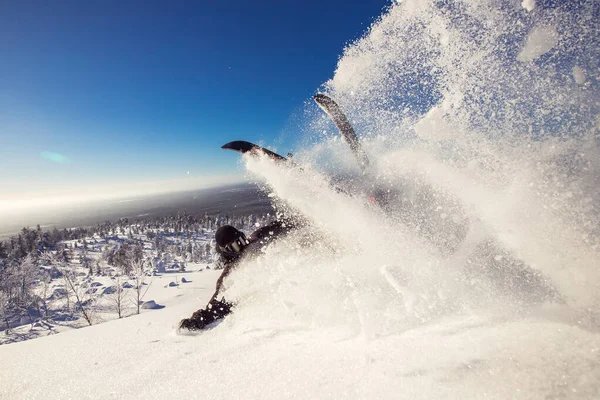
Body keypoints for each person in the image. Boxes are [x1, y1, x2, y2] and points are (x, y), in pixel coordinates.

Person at [179, 220, 296, 330]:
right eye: (236, 245)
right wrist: (198, 320)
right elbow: (214, 307)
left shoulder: (256, 240)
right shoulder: (231, 274)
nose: (243, 245)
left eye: (242, 239)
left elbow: (276, 227)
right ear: (228, 250)